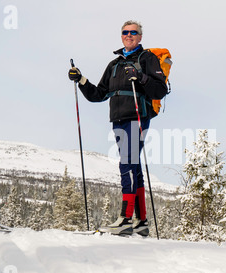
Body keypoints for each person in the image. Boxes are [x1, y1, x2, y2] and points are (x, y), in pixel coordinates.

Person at [68, 20, 168, 236]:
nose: (129, 35)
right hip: (117, 118)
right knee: (133, 165)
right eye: (125, 32)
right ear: (121, 36)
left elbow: (160, 90)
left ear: (140, 37)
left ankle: (125, 219)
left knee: (127, 163)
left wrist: (140, 76)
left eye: (134, 32)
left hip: (138, 116)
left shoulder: (147, 58)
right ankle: (140, 222)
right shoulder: (114, 65)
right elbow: (99, 94)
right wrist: (81, 80)